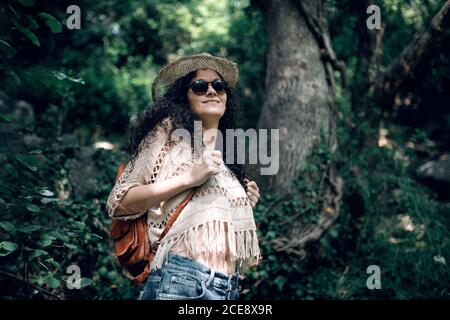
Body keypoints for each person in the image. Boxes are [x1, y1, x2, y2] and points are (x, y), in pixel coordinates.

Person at [106, 52, 261, 300]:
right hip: (181, 281)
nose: (212, 91)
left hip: (227, 287)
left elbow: (210, 221)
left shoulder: (226, 155)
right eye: (200, 86)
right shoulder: (167, 133)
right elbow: (119, 202)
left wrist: (242, 201)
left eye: (219, 86)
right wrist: (189, 178)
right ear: (184, 97)